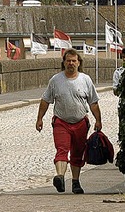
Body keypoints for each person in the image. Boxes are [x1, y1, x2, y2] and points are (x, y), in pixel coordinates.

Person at [35, 49, 102, 194]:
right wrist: (39, 118)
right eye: (68, 61)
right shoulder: (55, 80)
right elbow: (45, 100)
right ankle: (60, 177)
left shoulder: (85, 80)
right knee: (62, 150)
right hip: (61, 122)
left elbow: (93, 102)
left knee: (77, 153)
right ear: (64, 63)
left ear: (79, 63)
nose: (71, 63)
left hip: (80, 122)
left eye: (74, 61)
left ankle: (75, 182)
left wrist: (98, 120)